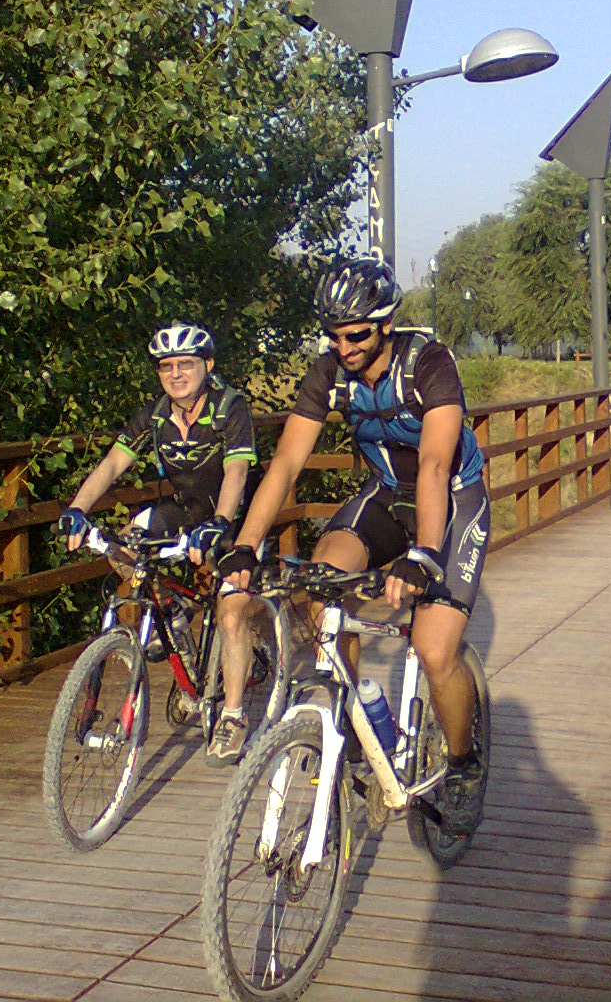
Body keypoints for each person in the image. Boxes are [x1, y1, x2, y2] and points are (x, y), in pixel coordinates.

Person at [219, 255, 492, 835]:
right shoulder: (330, 374)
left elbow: (436, 463)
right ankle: (347, 723)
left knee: (434, 650)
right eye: (334, 336)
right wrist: (245, 545)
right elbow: (286, 462)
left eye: (357, 335)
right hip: (386, 494)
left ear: (386, 324)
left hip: (452, 499)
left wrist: (423, 556)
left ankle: (463, 765)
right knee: (322, 582)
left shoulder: (429, 363)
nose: (343, 347)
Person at [57, 320, 261, 765]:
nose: (175, 374)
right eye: (166, 366)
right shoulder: (154, 416)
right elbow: (113, 464)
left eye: (185, 364)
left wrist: (221, 523)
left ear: (208, 365)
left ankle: (232, 715)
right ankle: (174, 619)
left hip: (237, 515)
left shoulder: (229, 408)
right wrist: (77, 509)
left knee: (230, 612)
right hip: (185, 508)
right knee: (123, 546)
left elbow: (237, 471)